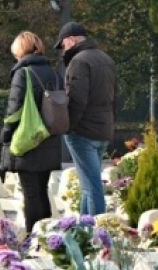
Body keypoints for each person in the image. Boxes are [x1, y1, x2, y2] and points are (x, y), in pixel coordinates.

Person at [0, 31, 63, 232]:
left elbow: (14, 109)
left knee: (30, 194)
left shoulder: (23, 73)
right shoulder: (54, 73)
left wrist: (6, 134)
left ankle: (33, 237)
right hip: (49, 138)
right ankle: (48, 236)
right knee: (42, 190)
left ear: (21, 50)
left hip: (28, 140)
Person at [54, 21, 117, 215]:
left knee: (92, 186)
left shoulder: (79, 61)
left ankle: (98, 233)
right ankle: (84, 228)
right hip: (103, 129)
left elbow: (77, 100)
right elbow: (115, 97)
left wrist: (69, 127)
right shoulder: (106, 59)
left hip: (82, 131)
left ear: (71, 40)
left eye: (63, 45)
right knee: (87, 184)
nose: (63, 50)